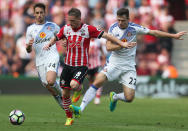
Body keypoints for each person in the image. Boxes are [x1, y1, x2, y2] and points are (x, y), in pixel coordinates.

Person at [69, 8, 187, 118]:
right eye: (118, 20)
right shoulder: (113, 28)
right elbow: (109, 47)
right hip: (114, 63)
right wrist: (122, 45)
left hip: (129, 66)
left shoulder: (134, 28)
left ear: (128, 20)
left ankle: (114, 96)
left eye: (123, 20)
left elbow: (154, 33)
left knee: (129, 97)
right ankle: (80, 109)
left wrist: (173, 35)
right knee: (98, 79)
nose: (120, 23)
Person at [43, 8, 136, 126]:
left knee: (73, 85)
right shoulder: (66, 28)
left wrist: (122, 43)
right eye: (69, 20)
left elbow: (106, 35)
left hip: (81, 65)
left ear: (79, 19)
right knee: (65, 94)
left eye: (73, 21)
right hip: (67, 65)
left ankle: (78, 89)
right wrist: (49, 43)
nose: (70, 23)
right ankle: (69, 117)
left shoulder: (88, 29)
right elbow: (57, 37)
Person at [25, 3, 63, 110]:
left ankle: (65, 97)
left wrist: (64, 42)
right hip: (40, 60)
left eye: (41, 12)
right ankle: (63, 104)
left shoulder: (53, 26)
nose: (39, 15)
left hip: (52, 56)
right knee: (48, 86)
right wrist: (28, 46)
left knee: (50, 81)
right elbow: (28, 50)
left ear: (45, 13)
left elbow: (62, 36)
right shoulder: (30, 29)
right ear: (34, 14)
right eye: (37, 13)